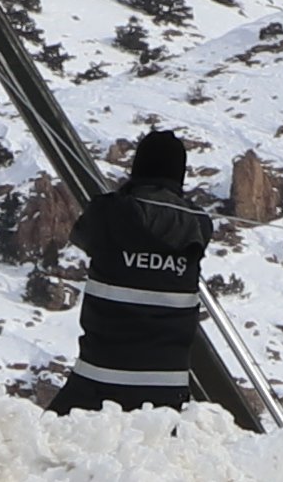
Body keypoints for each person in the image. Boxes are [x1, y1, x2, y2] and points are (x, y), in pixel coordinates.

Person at [54, 133, 219, 411]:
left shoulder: (109, 212)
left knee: (39, 446)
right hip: (169, 387)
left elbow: (82, 235)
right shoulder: (199, 223)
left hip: (99, 378)